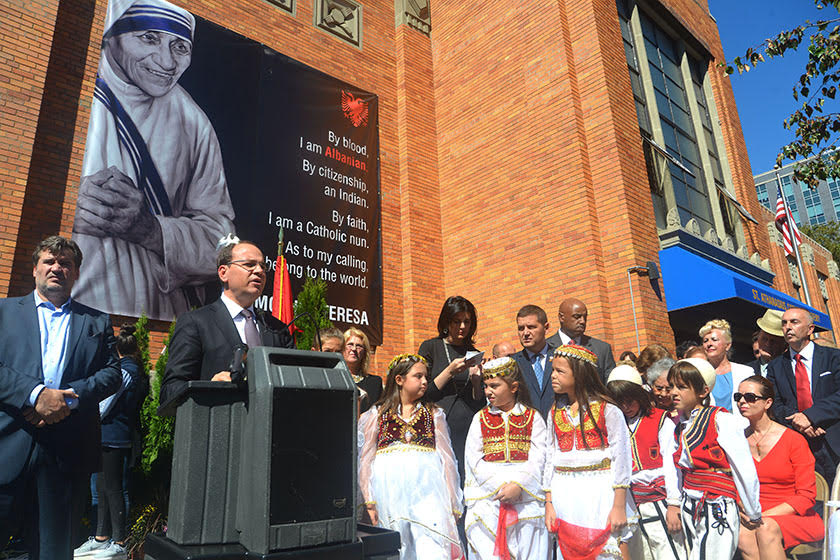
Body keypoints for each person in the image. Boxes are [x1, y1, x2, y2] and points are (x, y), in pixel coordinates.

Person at [71, 0, 236, 321]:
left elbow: (223, 245)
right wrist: (72, 202)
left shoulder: (193, 123)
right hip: (74, 308)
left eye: (180, 47)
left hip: (155, 315)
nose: (166, 61)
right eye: (148, 38)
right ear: (113, 36)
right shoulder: (72, 75)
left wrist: (148, 229)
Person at [0, 236, 121, 560]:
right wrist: (35, 395)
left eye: (66, 262)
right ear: (35, 268)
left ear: (76, 272)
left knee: (53, 549)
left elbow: (112, 374)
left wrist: (65, 401)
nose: (57, 268)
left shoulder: (96, 321)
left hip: (65, 452)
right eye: (50, 261)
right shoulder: (3, 311)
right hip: (7, 442)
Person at [159, 240, 294, 404]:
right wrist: (209, 387)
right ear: (223, 273)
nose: (259, 271)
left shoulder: (277, 328)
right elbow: (170, 390)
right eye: (249, 264)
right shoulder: (195, 323)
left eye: (263, 267)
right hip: (219, 423)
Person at [358, 354, 464, 560]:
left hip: (428, 492)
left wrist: (453, 501)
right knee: (397, 546)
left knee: (431, 546)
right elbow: (365, 460)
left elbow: (448, 458)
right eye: (418, 376)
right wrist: (369, 501)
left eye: (426, 376)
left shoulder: (433, 413)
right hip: (389, 493)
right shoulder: (377, 414)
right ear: (399, 380)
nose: (425, 381)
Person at [543, 344, 636, 560]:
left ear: (580, 375)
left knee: (610, 548)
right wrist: (549, 503)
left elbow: (622, 457)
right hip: (564, 493)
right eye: (553, 370)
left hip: (600, 491)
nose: (553, 376)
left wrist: (619, 506)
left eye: (560, 371)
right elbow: (550, 459)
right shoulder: (554, 413)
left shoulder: (608, 409)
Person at [664, 358, 761, 560]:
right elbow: (673, 468)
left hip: (717, 503)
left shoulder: (722, 420)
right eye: (672, 386)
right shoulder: (679, 426)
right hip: (690, 503)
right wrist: (674, 501)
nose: (673, 392)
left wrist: (753, 511)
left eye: (681, 387)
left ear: (703, 391)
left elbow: (743, 467)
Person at [463, 357, 550, 560]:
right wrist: (500, 487)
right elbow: (473, 459)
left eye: (494, 386)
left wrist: (519, 485)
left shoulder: (533, 417)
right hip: (490, 496)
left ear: (513, 387)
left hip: (525, 496)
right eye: (486, 386)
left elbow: (540, 457)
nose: (487, 391)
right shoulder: (479, 418)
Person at [75, 325, 148, 559]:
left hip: (114, 436)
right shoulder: (132, 369)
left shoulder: (126, 371)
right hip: (109, 435)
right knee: (102, 488)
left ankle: (119, 541)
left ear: (116, 350)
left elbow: (105, 404)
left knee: (114, 488)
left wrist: (87, 420)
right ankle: (100, 538)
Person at [736, 375, 824, 560]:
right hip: (753, 516)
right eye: (738, 397)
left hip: (796, 516)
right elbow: (733, 484)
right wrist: (743, 510)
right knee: (743, 536)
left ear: (767, 403)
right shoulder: (738, 441)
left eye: (750, 397)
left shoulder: (794, 440)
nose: (742, 401)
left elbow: (806, 497)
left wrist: (761, 517)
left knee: (765, 528)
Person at [607, 365, 686, 560]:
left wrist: (674, 504)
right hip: (629, 503)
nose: (625, 406)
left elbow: (670, 463)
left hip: (659, 499)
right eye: (619, 402)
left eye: (630, 400)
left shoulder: (660, 420)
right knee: (639, 554)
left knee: (667, 551)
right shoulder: (612, 423)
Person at [767, 307, 840, 483]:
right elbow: (775, 404)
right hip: (799, 442)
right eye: (784, 323)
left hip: (833, 440)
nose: (788, 327)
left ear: (810, 329)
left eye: (794, 322)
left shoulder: (833, 357)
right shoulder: (775, 366)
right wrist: (800, 423)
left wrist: (811, 416)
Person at [418, 296, 484, 487]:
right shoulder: (431, 347)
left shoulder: (473, 352)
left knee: (465, 478)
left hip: (466, 428)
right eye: (457, 321)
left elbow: (478, 403)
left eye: (467, 321)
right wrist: (449, 372)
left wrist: (477, 379)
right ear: (447, 321)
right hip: (437, 426)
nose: (462, 326)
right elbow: (424, 392)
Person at [546, 298, 616, 382]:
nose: (582, 321)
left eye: (585, 317)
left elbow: (611, 386)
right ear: (561, 317)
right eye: (577, 317)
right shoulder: (545, 348)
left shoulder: (602, 349)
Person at [512, 305, 558, 418]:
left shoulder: (561, 356)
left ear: (546, 328)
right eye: (521, 328)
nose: (525, 333)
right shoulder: (513, 363)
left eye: (531, 327)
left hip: (560, 427)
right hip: (528, 429)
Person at [698, 319, 752, 415]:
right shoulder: (699, 373)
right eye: (705, 341)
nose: (709, 344)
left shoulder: (745, 372)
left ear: (727, 345)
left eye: (714, 340)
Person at [344, 327, 382, 414]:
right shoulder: (334, 379)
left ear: (364, 352)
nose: (353, 349)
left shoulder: (375, 383)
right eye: (350, 344)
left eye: (358, 346)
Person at [747, 310, 786, 377]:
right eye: (764, 339)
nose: (767, 344)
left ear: (784, 345)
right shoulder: (746, 370)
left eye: (773, 341)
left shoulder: (792, 368)